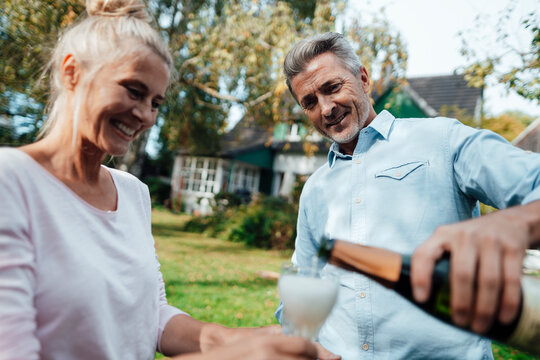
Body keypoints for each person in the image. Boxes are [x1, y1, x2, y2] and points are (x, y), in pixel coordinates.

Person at [0, 1, 323, 359]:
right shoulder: (11, 181)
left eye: (156, 102)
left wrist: (251, 339)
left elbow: (150, 316)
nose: (145, 116)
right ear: (72, 72)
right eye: (133, 91)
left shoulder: (133, 193)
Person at [276, 32, 540, 359]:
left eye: (332, 88)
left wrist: (515, 223)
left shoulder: (442, 140)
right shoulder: (315, 188)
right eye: (310, 102)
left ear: (363, 78)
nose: (326, 108)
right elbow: (304, 280)